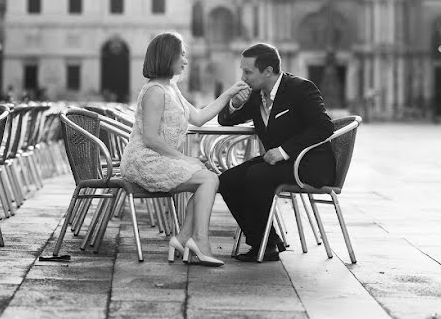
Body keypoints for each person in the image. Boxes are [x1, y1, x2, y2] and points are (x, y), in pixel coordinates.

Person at [120, 32, 248, 267]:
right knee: (209, 179)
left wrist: (229, 93)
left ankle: (182, 239)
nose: (186, 61)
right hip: (144, 160)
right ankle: (197, 241)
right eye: (182, 55)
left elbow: (199, 118)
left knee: (209, 179)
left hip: (159, 157)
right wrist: (185, 159)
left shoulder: (171, 89)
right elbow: (149, 137)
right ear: (168, 56)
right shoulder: (155, 92)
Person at [217, 43, 336, 262]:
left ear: (268, 71)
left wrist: (283, 151)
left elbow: (324, 126)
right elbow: (225, 120)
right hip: (277, 165)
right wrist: (234, 103)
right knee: (226, 180)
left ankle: (265, 246)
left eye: (247, 71)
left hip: (309, 164)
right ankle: (268, 241)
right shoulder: (255, 95)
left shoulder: (301, 88)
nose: (243, 77)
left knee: (256, 176)